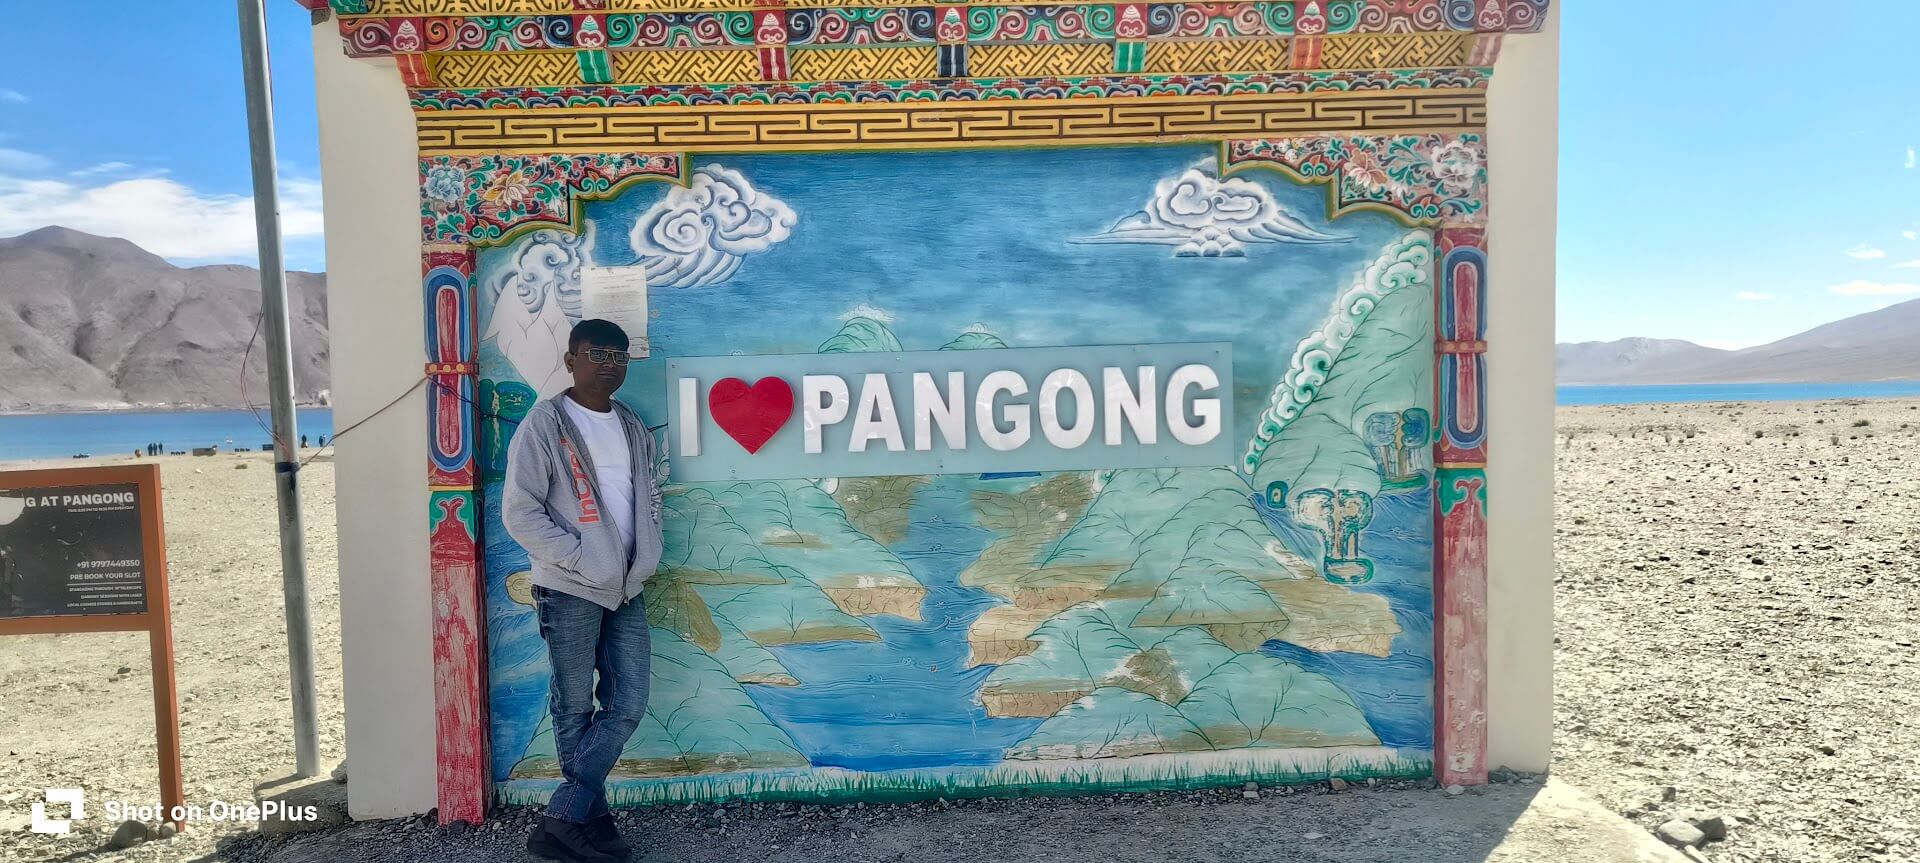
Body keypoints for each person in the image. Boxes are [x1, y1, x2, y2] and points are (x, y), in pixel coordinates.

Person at [503, 319, 662, 863]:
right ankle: (586, 824)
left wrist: (643, 558)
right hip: (569, 587)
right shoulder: (545, 425)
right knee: (573, 705)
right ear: (571, 360)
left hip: (626, 587)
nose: (610, 363)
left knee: (628, 701)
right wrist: (578, 558)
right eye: (597, 353)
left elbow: (648, 499)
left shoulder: (631, 424)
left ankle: (564, 818)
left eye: (619, 355)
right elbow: (519, 513)